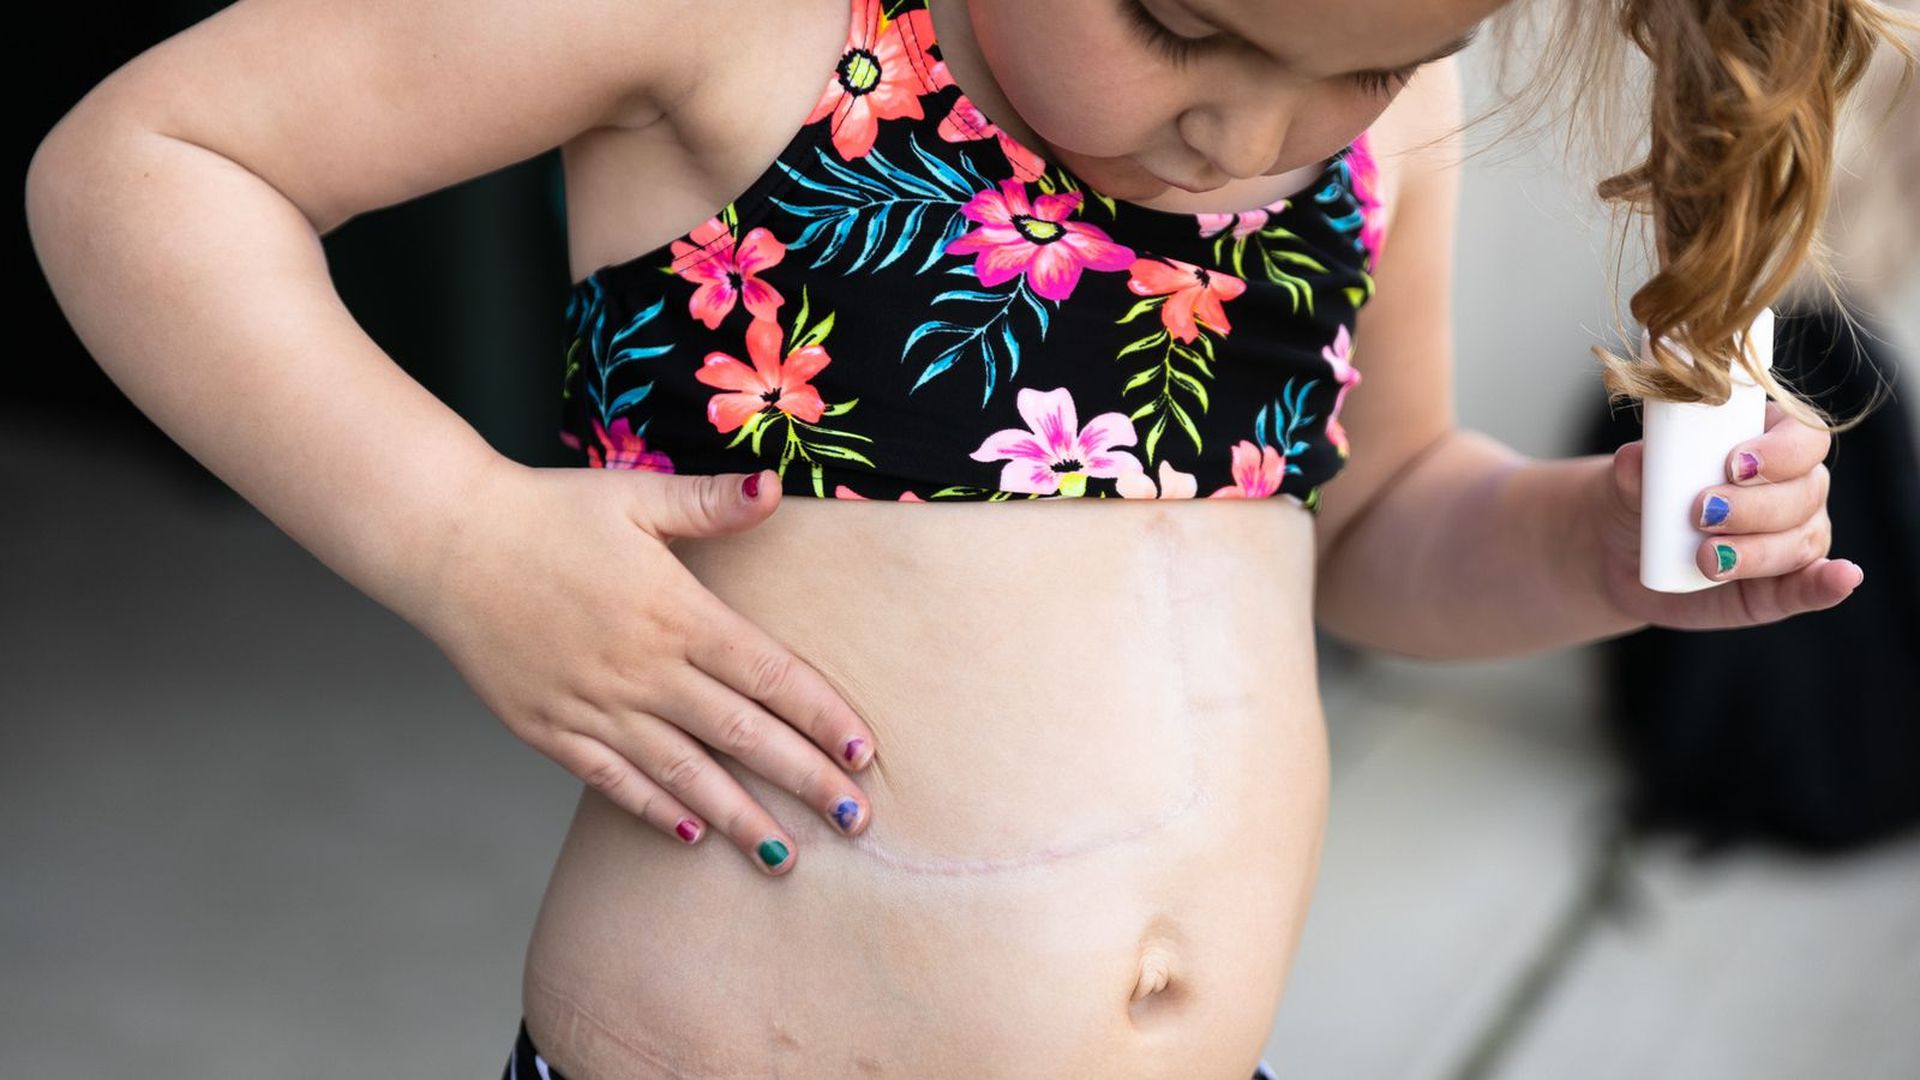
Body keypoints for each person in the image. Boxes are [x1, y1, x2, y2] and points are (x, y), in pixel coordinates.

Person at [22, 0, 1914, 1076]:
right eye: (1182, 24)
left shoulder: (1370, 126)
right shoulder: (756, 27)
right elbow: (149, 167)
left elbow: (1379, 524)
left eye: (1356, 68)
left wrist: (1581, 551)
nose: (1244, 132)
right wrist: (455, 534)